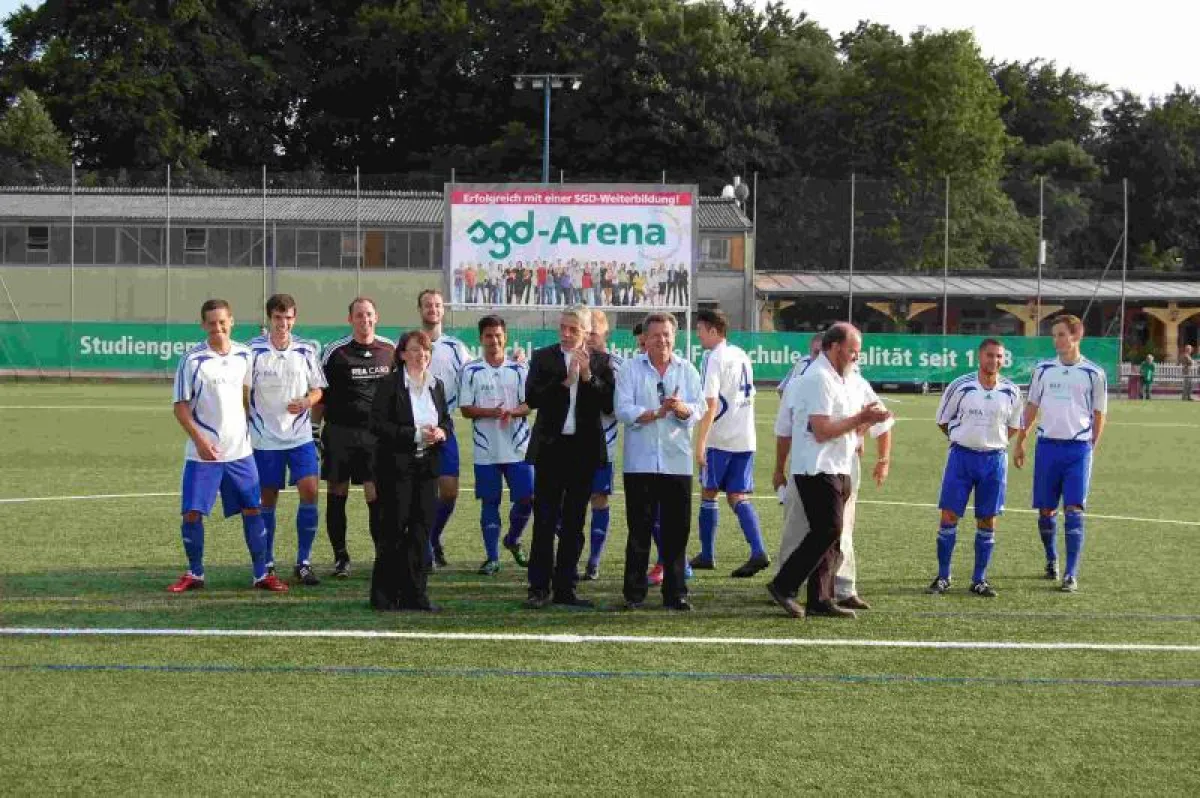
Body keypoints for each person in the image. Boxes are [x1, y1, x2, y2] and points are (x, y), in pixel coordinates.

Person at [766, 324, 891, 619]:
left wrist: (868, 420)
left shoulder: (845, 379)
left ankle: (821, 597)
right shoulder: (817, 379)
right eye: (852, 350)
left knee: (833, 534)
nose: (856, 357)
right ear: (834, 348)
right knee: (827, 529)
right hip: (815, 466)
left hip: (840, 464)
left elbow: (847, 424)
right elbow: (821, 430)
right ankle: (783, 585)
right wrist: (861, 417)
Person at [168, 299, 286, 593]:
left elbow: (247, 396)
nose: (218, 328)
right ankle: (194, 573)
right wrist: (201, 441)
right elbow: (181, 408)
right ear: (203, 325)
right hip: (202, 455)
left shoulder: (244, 355)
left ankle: (261, 574)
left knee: (252, 509)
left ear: (231, 321)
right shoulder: (192, 360)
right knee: (192, 513)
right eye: (211, 323)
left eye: (222, 322)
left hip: (240, 453)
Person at [524, 305, 616, 608]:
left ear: (587, 332)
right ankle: (538, 588)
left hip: (583, 451)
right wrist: (565, 382)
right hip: (551, 449)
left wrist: (588, 376)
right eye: (562, 327)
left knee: (575, 523)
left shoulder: (602, 361)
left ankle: (566, 587)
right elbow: (533, 398)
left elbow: (608, 404)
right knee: (545, 520)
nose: (565, 333)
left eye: (573, 329)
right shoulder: (543, 357)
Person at [616, 312, 706, 610]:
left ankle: (676, 593)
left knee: (676, 532)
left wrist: (681, 409)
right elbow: (623, 410)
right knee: (639, 530)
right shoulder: (630, 369)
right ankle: (634, 594)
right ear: (645, 339)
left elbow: (700, 408)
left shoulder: (687, 370)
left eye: (667, 335)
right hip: (639, 463)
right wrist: (656, 412)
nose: (662, 341)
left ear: (674, 337)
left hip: (676, 462)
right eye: (656, 336)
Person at [1014, 314, 1107, 592]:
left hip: (1078, 449)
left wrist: (1092, 446)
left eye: (1061, 334)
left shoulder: (1094, 373)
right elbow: (1031, 406)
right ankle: (1051, 558)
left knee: (1075, 509)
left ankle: (1070, 573)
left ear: (1076, 336)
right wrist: (1021, 440)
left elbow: (1099, 413)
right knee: (1045, 510)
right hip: (1047, 448)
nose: (1056, 340)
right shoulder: (1043, 370)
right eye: (1054, 334)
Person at [925, 339, 1024, 598]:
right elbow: (942, 421)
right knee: (948, 516)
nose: (995, 361)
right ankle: (943, 576)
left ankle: (979, 579)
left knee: (988, 519)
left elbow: (1014, 426)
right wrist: (964, 437)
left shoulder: (1012, 391)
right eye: (990, 356)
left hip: (994, 461)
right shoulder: (961, 386)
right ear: (979, 357)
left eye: (999, 356)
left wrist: (993, 441)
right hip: (961, 458)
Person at [368, 330, 452, 611]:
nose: (421, 355)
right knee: (392, 531)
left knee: (420, 532)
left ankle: (415, 594)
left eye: (425, 350)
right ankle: (384, 596)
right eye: (415, 350)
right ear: (402, 354)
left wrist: (441, 431)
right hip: (396, 469)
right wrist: (415, 435)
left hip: (427, 469)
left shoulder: (436, 385)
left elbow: (447, 421)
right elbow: (378, 425)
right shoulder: (389, 385)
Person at [247, 293, 327, 586]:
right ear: (270, 319)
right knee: (268, 499)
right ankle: (267, 562)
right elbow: (244, 393)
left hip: (300, 436)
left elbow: (318, 389)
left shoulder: (305, 350)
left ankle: (303, 561)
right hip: (265, 439)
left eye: (288, 317)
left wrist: (308, 401)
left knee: (310, 491)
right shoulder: (252, 351)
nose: (283, 323)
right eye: (278, 318)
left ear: (295, 318)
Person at [316, 297, 395, 578]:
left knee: (376, 495)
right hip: (339, 433)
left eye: (370, 315)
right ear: (350, 319)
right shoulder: (335, 352)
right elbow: (320, 396)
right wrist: (315, 432)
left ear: (377, 317)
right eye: (359, 315)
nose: (365, 320)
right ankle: (341, 557)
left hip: (376, 438)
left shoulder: (389, 350)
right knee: (338, 494)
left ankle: (382, 555)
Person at [690, 309, 769, 577]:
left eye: (700, 329)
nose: (697, 334)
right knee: (737, 496)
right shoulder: (740, 354)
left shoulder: (714, 358)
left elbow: (711, 403)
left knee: (708, 492)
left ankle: (708, 554)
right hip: (745, 437)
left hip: (720, 438)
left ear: (713, 330)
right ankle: (758, 550)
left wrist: (700, 443)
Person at [459, 315, 534, 574]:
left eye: (498, 335)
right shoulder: (471, 370)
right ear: (481, 339)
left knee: (528, 497)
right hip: (486, 448)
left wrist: (513, 412)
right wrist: (491, 413)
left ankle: (512, 539)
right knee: (490, 501)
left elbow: (529, 405)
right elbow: (466, 409)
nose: (494, 340)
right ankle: (492, 558)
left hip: (519, 445)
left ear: (506, 337)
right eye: (489, 335)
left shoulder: (520, 369)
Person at [417, 289, 475, 568]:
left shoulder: (456, 348)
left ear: (443, 310)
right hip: (413, 427)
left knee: (449, 490)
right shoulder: (409, 344)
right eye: (428, 305)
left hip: (444, 425)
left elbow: (475, 376)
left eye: (437, 305)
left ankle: (432, 537)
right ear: (421, 310)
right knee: (417, 490)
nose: (433, 309)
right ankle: (418, 544)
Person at [582, 310, 622, 580]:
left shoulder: (616, 365)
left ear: (605, 334)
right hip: (570, 445)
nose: (589, 338)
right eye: (586, 332)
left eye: (594, 333)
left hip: (602, 444)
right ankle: (570, 556)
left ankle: (594, 560)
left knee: (598, 499)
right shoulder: (570, 358)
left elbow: (613, 407)